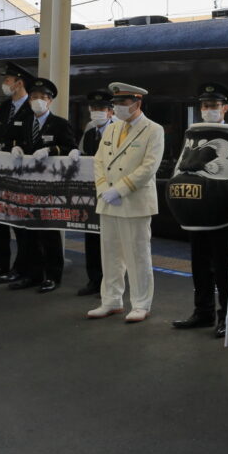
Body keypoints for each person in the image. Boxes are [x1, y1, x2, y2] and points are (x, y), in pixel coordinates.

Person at [88, 82, 165, 323]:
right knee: (110, 253)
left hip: (134, 200)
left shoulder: (153, 130)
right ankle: (111, 300)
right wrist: (103, 189)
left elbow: (149, 167)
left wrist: (120, 190)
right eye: (116, 104)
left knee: (137, 254)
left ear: (137, 103)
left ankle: (141, 303)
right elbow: (98, 160)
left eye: (122, 103)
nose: (118, 108)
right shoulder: (111, 129)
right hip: (109, 200)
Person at [172, 82, 228, 337]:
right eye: (204, 105)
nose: (208, 110)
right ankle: (203, 311)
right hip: (196, 210)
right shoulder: (193, 134)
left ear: (225, 108)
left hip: (222, 213)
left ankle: (227, 315)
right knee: (199, 264)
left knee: (224, 266)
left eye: (213, 105)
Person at [6, 77, 77, 292]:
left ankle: (53, 276)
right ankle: (32, 274)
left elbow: (70, 148)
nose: (38, 101)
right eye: (34, 97)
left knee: (49, 233)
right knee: (27, 232)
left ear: (50, 101)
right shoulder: (24, 122)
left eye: (43, 98)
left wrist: (50, 150)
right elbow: (13, 141)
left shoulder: (60, 123)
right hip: (26, 186)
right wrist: (14, 148)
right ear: (29, 101)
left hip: (49, 187)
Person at [0, 62, 33, 283]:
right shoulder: (4, 107)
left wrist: (7, 147)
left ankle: (21, 268)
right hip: (0, 174)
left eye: (7, 80)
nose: (4, 84)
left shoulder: (32, 108)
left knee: (21, 226)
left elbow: (29, 140)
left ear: (19, 83)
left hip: (21, 176)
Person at [75, 90, 114, 296]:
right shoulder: (90, 133)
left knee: (110, 240)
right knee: (91, 237)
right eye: (94, 109)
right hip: (90, 193)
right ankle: (94, 279)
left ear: (110, 112)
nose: (97, 112)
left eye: (102, 109)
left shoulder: (118, 131)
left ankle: (110, 282)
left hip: (111, 193)